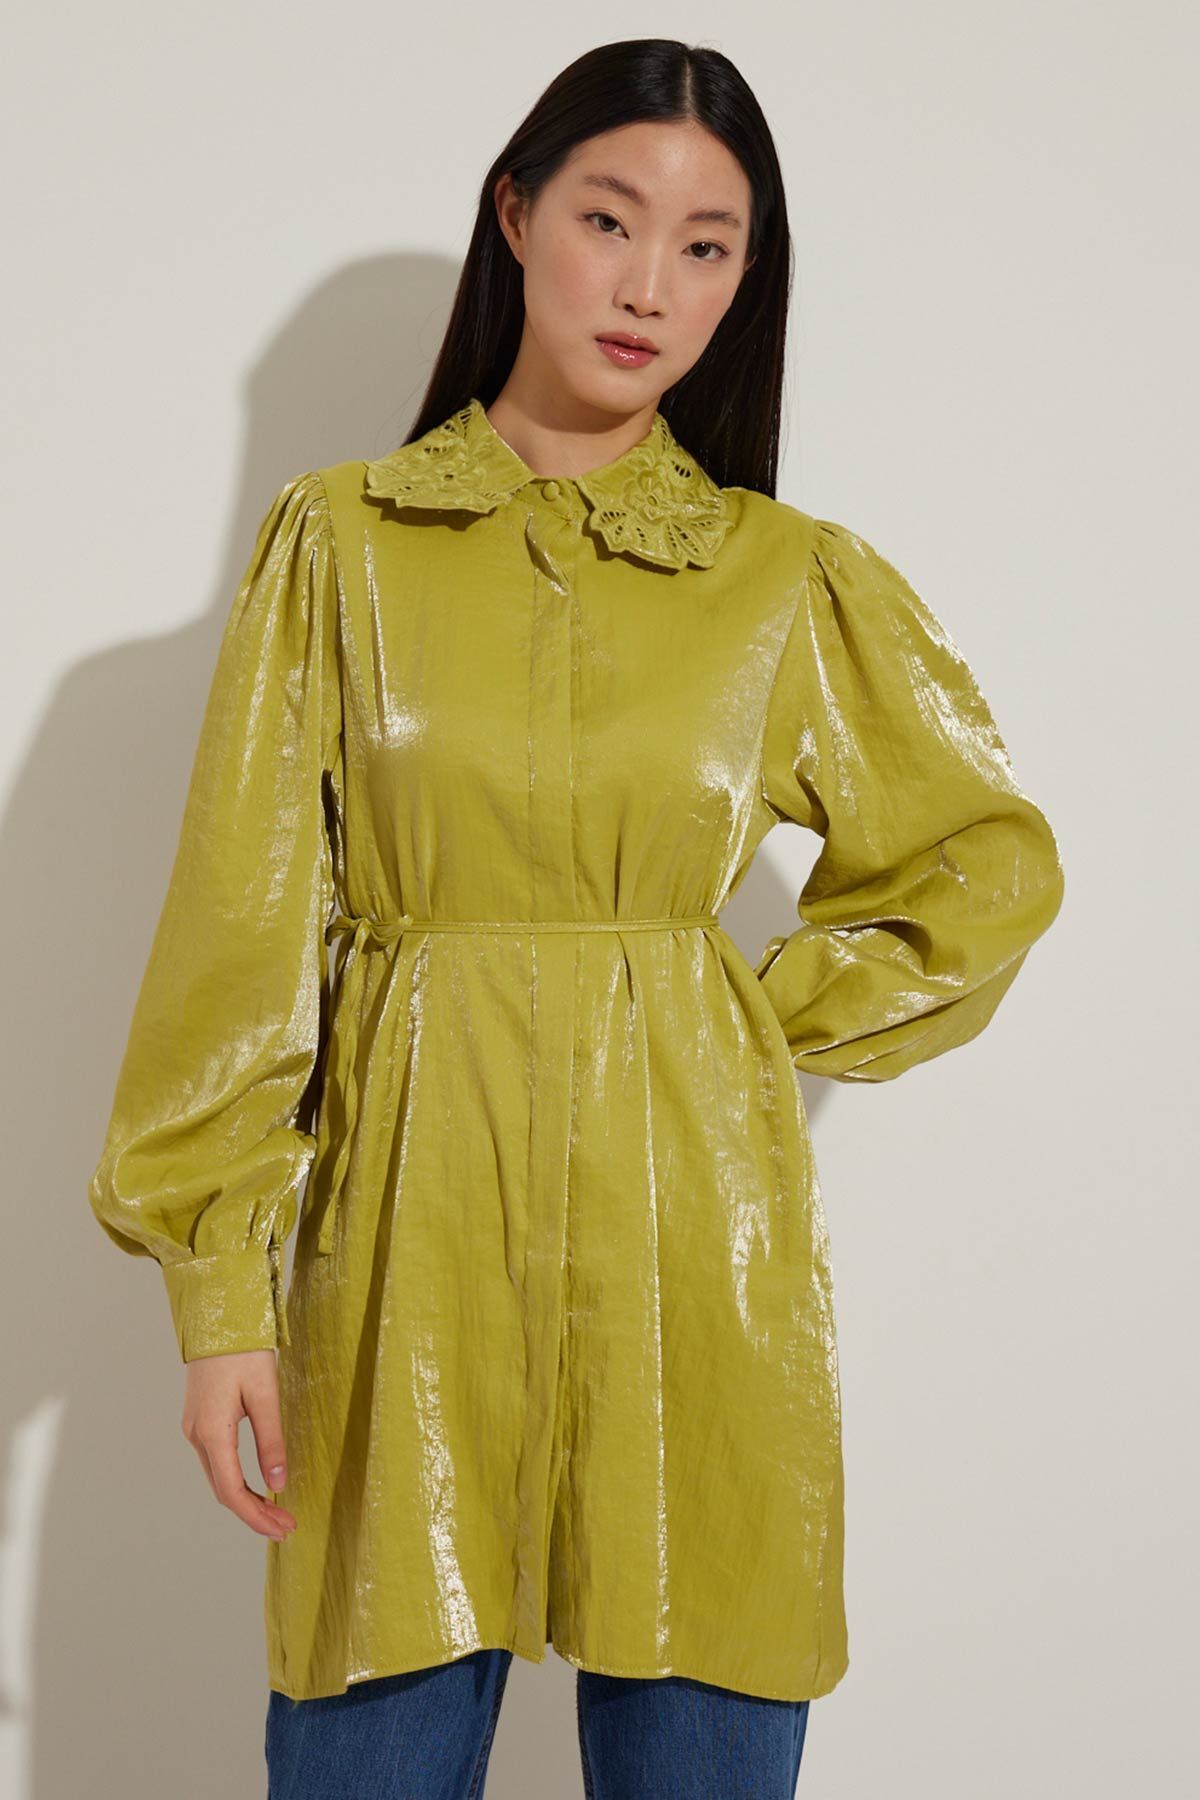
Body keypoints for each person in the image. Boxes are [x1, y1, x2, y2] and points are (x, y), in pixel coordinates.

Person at [87, 36, 1065, 1800]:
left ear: (745, 283)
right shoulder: (339, 548)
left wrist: (745, 1023)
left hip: (697, 1269)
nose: (648, 286)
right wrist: (219, 1297)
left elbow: (979, 863)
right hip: (400, 1256)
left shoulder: (783, 579)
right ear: (518, 216)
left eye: (706, 246)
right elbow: (240, 935)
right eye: (611, 219)